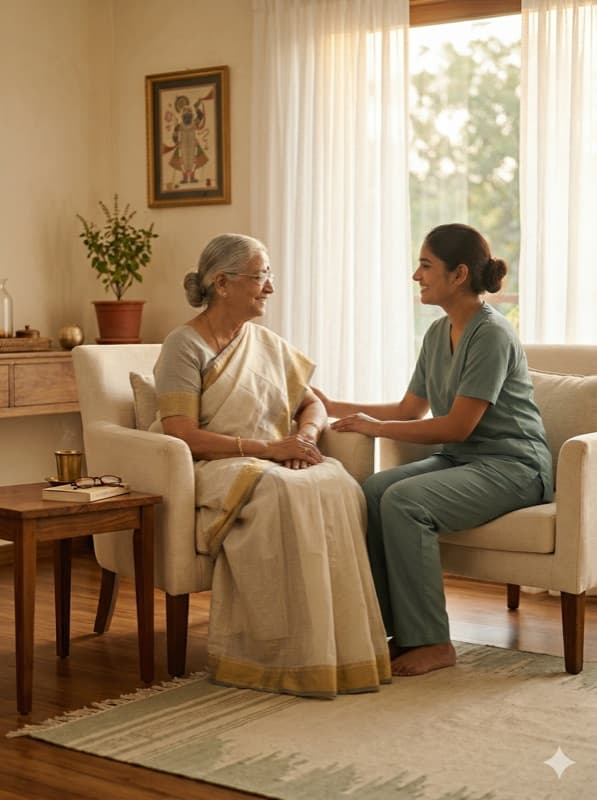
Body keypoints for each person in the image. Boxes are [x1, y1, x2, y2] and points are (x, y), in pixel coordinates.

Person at [152, 233, 391, 697]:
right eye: (262, 277)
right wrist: (267, 451)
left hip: (271, 456)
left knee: (336, 481)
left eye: (269, 277)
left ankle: (334, 647)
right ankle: (277, 655)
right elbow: (180, 432)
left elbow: (313, 404)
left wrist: (302, 438)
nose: (270, 288)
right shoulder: (184, 345)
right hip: (216, 464)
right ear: (222, 283)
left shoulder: (266, 343)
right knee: (282, 489)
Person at [314, 223, 553, 678]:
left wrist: (376, 428)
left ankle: (433, 641)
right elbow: (410, 408)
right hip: (465, 462)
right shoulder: (437, 334)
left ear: (459, 273)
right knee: (376, 489)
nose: (415, 276)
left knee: (405, 501)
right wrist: (334, 406)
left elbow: (460, 426)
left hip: (515, 467)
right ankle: (391, 631)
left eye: (425, 265)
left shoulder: (492, 334)